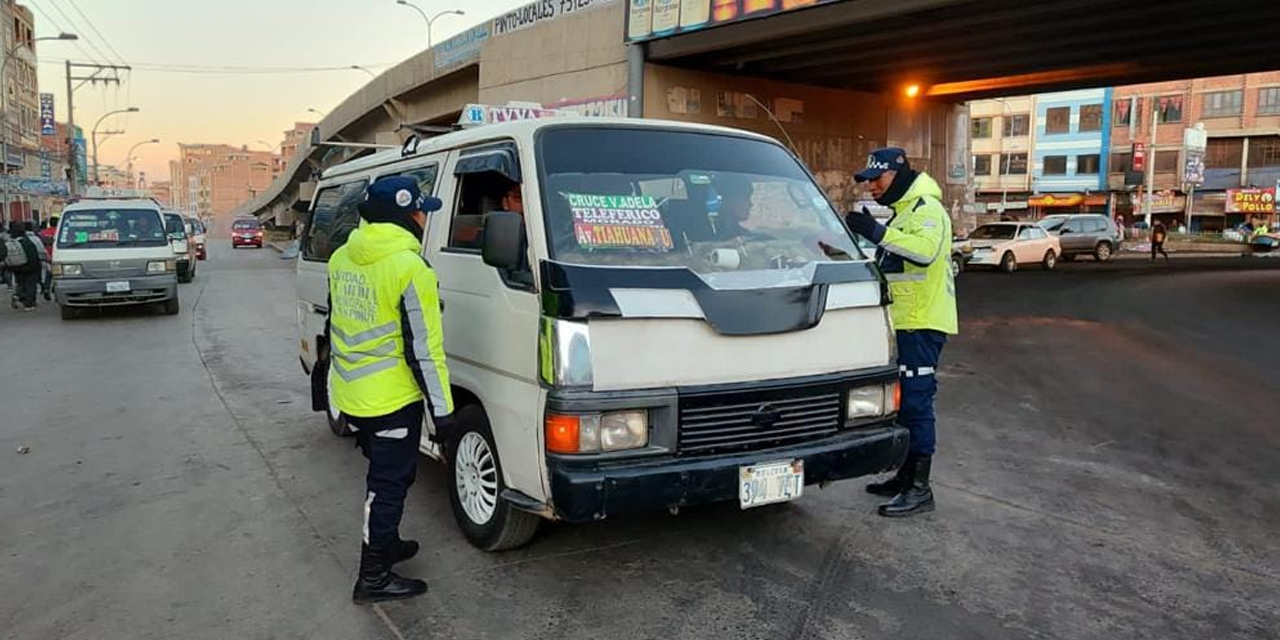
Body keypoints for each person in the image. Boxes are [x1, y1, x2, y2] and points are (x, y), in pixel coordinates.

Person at [327, 176, 454, 604]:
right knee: (388, 485)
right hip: (390, 399)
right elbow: (426, 352)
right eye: (421, 210)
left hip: (352, 392)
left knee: (386, 478)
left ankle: (386, 542)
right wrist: (445, 416)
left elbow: (338, 323)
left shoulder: (342, 257)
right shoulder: (410, 268)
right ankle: (374, 576)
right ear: (405, 214)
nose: (424, 217)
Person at [843, 148, 959, 518]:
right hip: (901, 324)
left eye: (878, 179)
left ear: (898, 174)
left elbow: (924, 253)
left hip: (923, 325)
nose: (872, 186)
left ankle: (920, 489)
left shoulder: (928, 209)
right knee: (901, 402)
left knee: (917, 403)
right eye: (868, 181)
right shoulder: (904, 212)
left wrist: (876, 232)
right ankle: (905, 476)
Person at [7, 221, 42, 311]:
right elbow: (34, 255)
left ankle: (18, 296)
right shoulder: (28, 242)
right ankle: (29, 304)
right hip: (30, 267)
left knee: (21, 283)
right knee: (31, 285)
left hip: (16, 267)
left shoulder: (11, 242)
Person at [25, 222, 51, 301]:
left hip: (22, 263)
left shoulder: (20, 238)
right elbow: (42, 250)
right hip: (35, 263)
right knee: (34, 281)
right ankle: (31, 300)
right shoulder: (36, 238)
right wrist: (47, 258)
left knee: (22, 281)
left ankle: (20, 295)